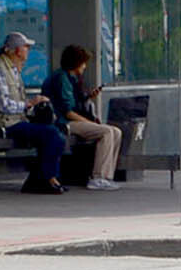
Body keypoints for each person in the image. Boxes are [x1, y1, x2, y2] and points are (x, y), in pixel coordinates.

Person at [0, 34, 67, 195]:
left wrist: (34, 106)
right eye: (26, 47)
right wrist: (29, 104)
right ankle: (48, 179)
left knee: (55, 131)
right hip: (5, 123)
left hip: (17, 120)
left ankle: (40, 179)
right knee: (51, 134)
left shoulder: (13, 69)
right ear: (17, 50)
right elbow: (2, 105)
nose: (28, 51)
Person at [44, 44, 124, 190]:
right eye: (83, 63)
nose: (85, 66)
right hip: (64, 123)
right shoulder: (62, 79)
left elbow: (75, 103)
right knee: (106, 132)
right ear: (76, 63)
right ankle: (98, 177)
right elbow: (68, 112)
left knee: (116, 132)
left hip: (72, 120)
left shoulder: (71, 79)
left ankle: (107, 176)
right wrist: (91, 124)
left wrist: (88, 97)